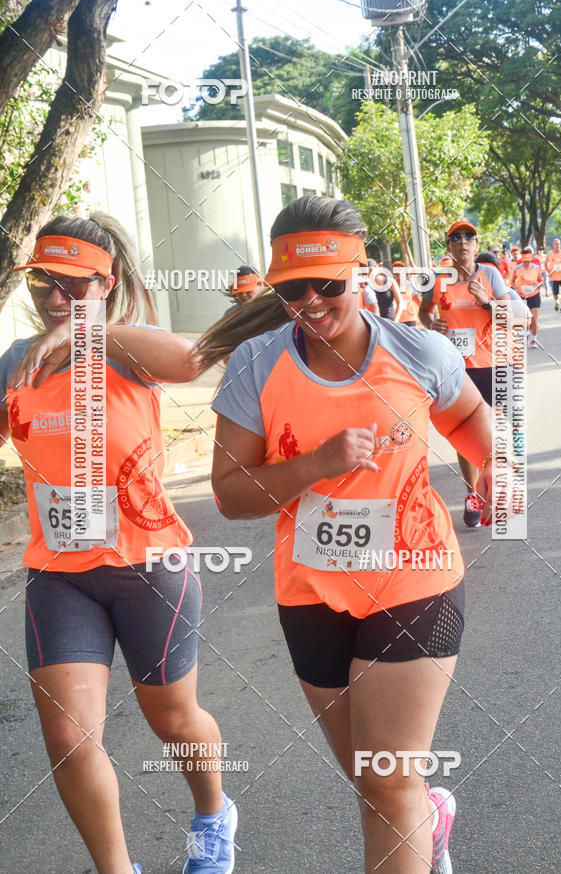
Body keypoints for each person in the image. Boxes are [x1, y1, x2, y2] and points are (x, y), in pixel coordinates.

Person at [195, 195, 515, 874]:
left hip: (415, 580)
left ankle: (416, 817)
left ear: (361, 271)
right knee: (372, 785)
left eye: (328, 285)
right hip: (310, 594)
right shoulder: (257, 364)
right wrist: (317, 463)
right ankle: (431, 820)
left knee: (388, 784)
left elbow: (482, 440)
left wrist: (499, 479)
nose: (309, 302)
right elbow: (228, 495)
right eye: (291, 289)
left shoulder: (417, 351)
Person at [0, 214, 238, 874]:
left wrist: (89, 329)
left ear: (108, 284)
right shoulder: (17, 362)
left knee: (174, 721)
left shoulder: (126, 348)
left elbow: (192, 360)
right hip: (60, 578)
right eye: (45, 281)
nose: (56, 297)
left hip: (150, 568)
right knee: (71, 742)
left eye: (75, 285)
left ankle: (214, 816)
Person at [419, 220, 511, 528]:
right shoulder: (439, 279)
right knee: (465, 437)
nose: (463, 242)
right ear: (449, 246)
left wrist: (486, 302)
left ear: (476, 243)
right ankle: (473, 493)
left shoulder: (490, 275)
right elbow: (423, 310)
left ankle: (493, 484)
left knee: (495, 433)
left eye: (469, 236)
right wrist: (432, 324)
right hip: (455, 368)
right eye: (456, 237)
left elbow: (509, 317)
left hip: (490, 365)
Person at [511, 247, 543, 347]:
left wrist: (536, 284)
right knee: (525, 320)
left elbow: (541, 282)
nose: (526, 262)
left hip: (534, 295)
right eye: (524, 259)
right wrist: (516, 289)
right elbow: (512, 281)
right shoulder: (518, 268)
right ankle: (526, 334)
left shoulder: (536, 268)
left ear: (531, 258)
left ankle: (534, 339)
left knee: (534, 319)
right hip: (522, 297)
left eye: (528, 259)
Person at [545, 239, 561, 312]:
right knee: (555, 293)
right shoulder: (550, 253)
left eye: (559, 244)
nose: (558, 245)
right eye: (556, 244)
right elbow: (545, 264)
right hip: (554, 277)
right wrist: (549, 272)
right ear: (553, 245)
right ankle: (557, 302)